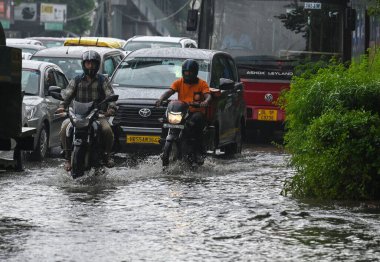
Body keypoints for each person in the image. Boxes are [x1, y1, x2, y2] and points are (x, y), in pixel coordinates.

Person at [56, 50, 116, 171]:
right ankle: (67, 158)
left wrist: (111, 109)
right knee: (64, 128)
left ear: (97, 64)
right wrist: (62, 106)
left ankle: (106, 155)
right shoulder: (76, 80)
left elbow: (111, 96)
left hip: (98, 115)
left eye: (92, 63)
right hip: (78, 115)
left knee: (107, 130)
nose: (90, 66)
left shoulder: (102, 80)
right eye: (87, 63)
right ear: (83, 64)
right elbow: (67, 95)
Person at [155, 59, 212, 163]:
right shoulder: (179, 82)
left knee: (197, 120)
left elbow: (208, 95)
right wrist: (161, 99)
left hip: (195, 111)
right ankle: (164, 143)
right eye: (186, 72)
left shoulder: (202, 83)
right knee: (164, 119)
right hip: (182, 111)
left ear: (195, 72)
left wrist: (206, 101)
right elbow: (169, 91)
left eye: (190, 72)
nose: (188, 74)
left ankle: (198, 151)